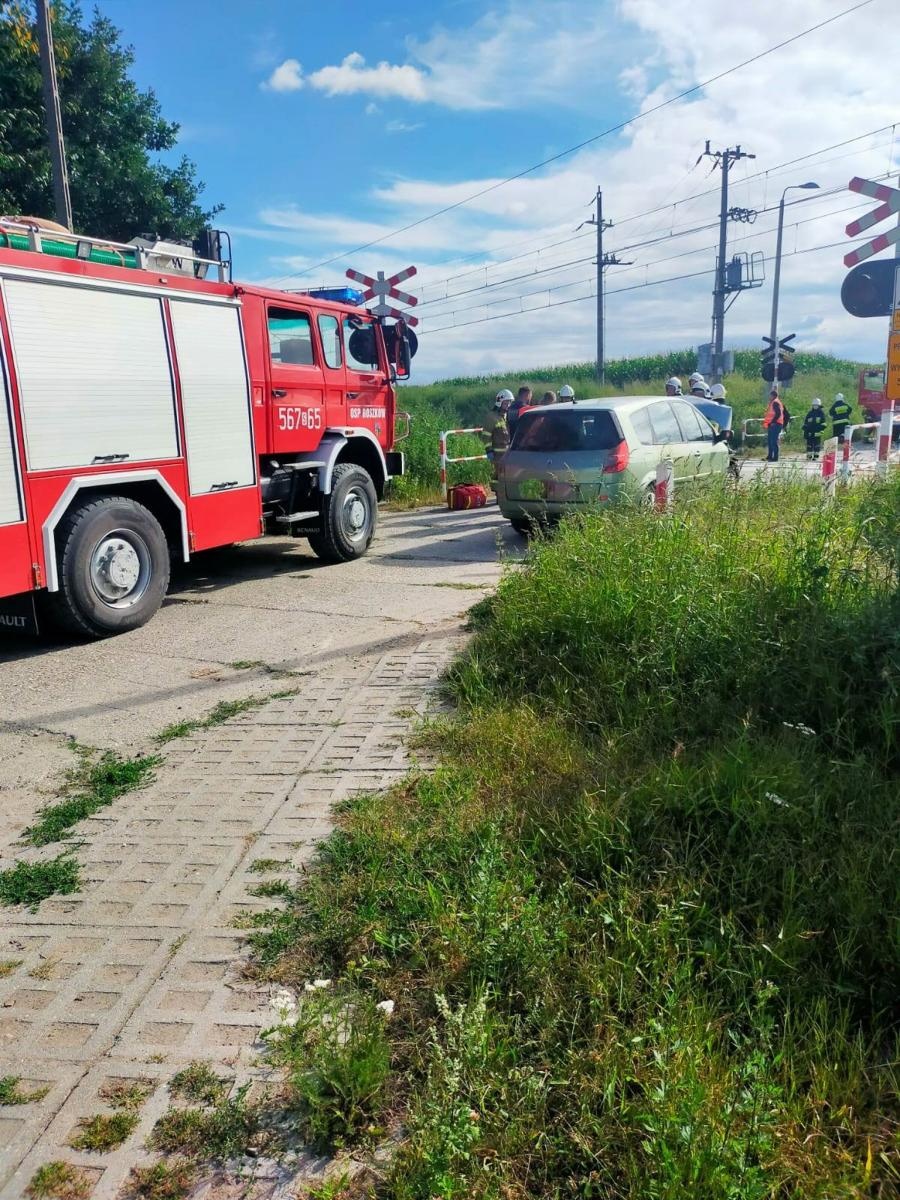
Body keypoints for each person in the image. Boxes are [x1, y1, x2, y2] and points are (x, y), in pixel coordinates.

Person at [484, 389, 512, 472]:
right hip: (497, 455)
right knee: (497, 478)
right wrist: (489, 451)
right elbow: (486, 435)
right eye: (506, 402)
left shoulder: (505, 416)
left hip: (507, 454)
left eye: (510, 402)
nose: (508, 405)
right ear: (500, 402)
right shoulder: (491, 417)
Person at [762, 387, 785, 462]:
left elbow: (778, 413)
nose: (769, 397)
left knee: (773, 441)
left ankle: (775, 457)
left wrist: (773, 422)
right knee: (770, 441)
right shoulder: (774, 402)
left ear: (773, 395)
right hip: (773, 424)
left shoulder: (775, 402)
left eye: (770, 395)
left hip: (776, 424)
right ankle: (770, 456)